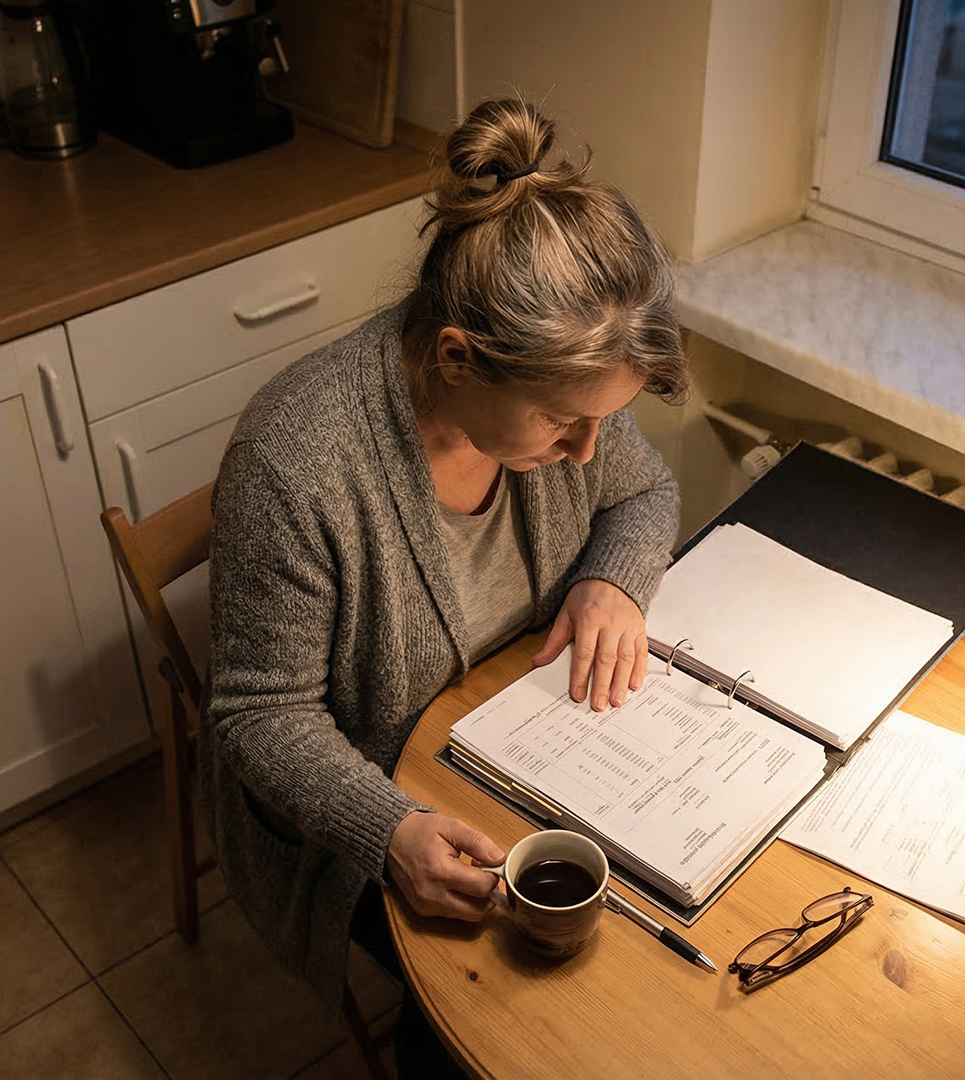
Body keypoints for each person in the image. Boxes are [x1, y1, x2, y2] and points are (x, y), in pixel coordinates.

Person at [201, 98, 689, 1066]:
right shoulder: (297, 461)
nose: (591, 449)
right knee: (522, 1020)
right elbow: (258, 716)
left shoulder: (558, 383)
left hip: (520, 747)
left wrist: (614, 582)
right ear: (458, 359)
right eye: (565, 423)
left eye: (604, 420)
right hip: (372, 802)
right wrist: (387, 830)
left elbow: (645, 492)